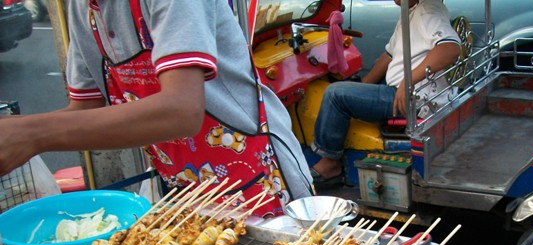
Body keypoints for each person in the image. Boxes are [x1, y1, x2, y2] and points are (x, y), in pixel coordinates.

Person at [0, 0, 313, 216]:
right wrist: (18, 137)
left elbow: (182, 109)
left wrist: (32, 134)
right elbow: (84, 110)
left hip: (256, 177)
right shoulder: (85, 10)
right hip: (182, 187)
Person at [309, 0, 461, 187]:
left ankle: (330, 163)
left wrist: (408, 81)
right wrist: (362, 86)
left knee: (334, 94)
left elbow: (450, 48)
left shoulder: (426, 12)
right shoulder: (411, 10)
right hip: (409, 90)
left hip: (414, 99)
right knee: (347, 87)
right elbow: (389, 55)